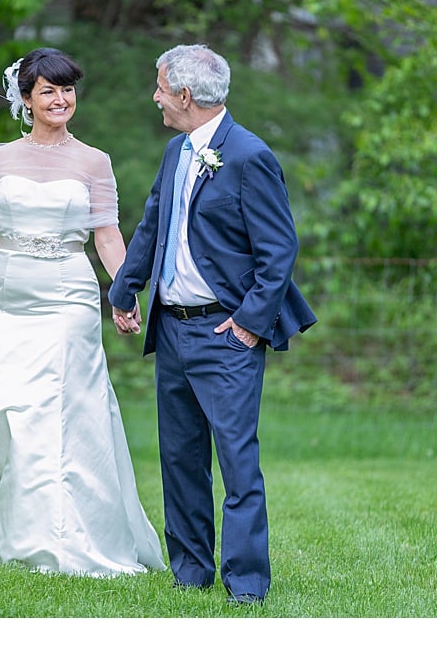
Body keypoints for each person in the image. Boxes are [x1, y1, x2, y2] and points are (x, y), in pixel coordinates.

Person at [0, 48, 166, 578]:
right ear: (26, 99)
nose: (61, 99)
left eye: (67, 90)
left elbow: (108, 238)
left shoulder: (94, 161)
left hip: (67, 296)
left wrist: (124, 291)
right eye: (48, 91)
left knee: (54, 412)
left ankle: (53, 537)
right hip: (2, 297)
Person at [109, 44, 317, 604]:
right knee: (179, 459)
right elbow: (153, 224)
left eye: (159, 88)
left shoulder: (248, 155)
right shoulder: (176, 151)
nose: (154, 97)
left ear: (184, 95)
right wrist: (125, 288)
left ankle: (246, 585)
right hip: (172, 330)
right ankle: (191, 574)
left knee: (236, 462)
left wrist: (250, 324)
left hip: (225, 336)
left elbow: (279, 250)